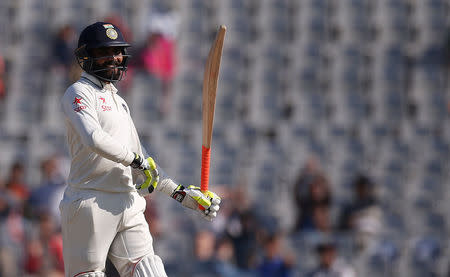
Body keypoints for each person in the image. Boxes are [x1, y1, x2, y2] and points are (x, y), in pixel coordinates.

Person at [60, 22, 221, 277]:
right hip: (90, 201)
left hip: (128, 201)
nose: (114, 58)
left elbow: (144, 158)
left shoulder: (119, 102)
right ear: (86, 56)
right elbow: (93, 138)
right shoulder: (78, 93)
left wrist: (182, 195)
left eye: (118, 51)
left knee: (151, 271)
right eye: (105, 52)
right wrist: (135, 161)